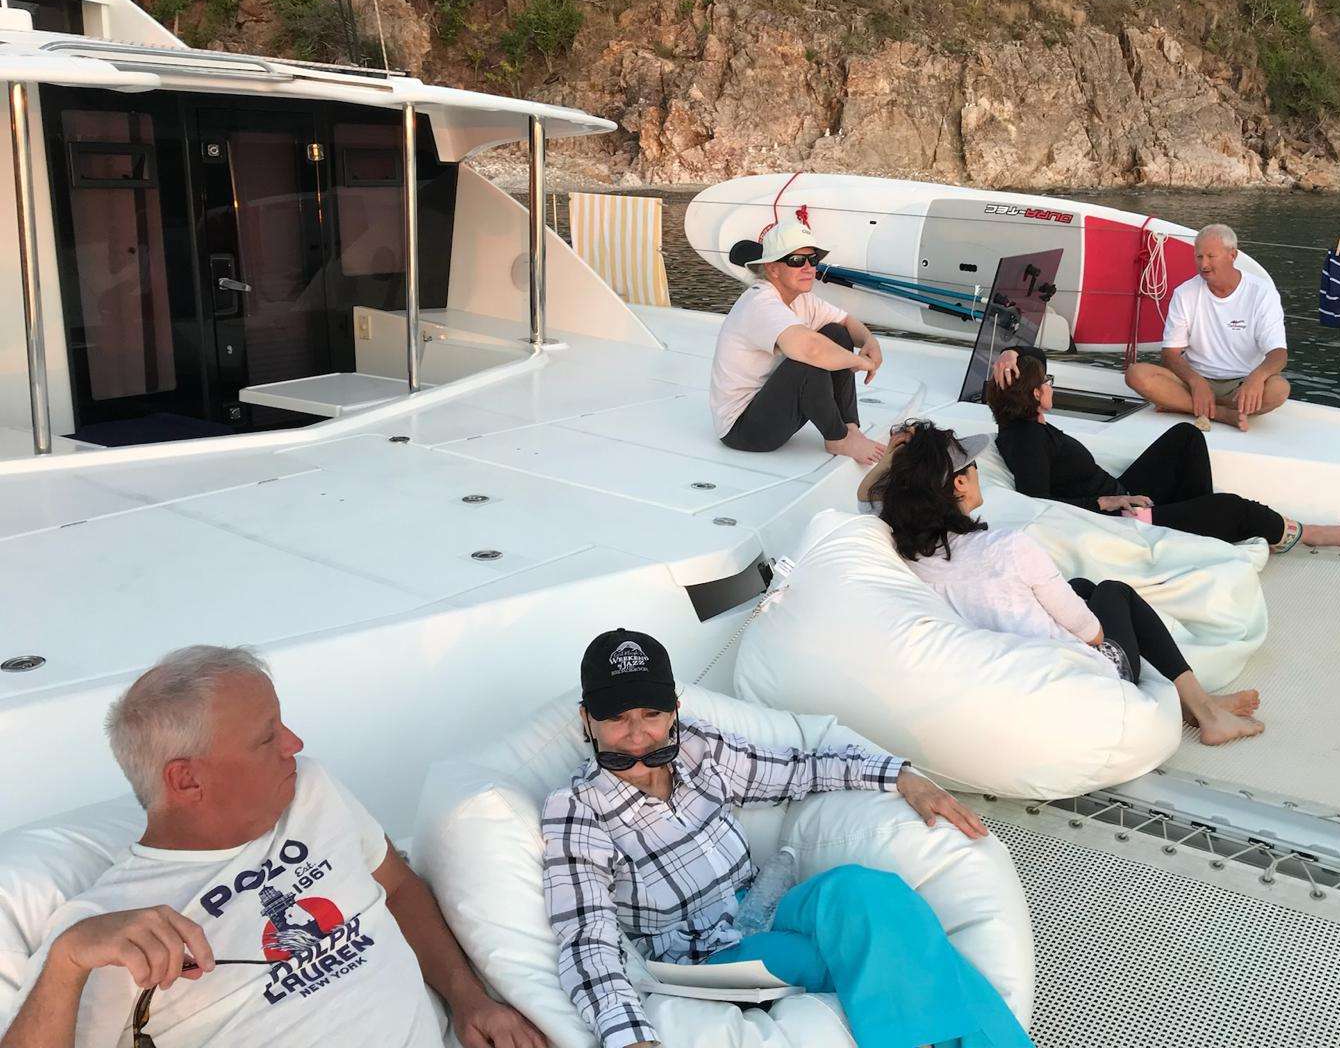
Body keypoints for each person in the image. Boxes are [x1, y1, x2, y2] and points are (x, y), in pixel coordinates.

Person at [2, 646, 544, 1048]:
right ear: (187, 781)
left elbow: (397, 885)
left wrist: (469, 998)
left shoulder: (311, 789)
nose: (295, 745)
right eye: (268, 737)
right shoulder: (107, 926)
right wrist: (68, 962)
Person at [541, 628, 1031, 1048]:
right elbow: (587, 935)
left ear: (674, 709)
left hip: (765, 904)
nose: (637, 734)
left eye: (651, 713)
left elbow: (798, 769)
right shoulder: (577, 809)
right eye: (616, 717)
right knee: (876, 951)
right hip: (706, 956)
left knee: (870, 891)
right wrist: (629, 1036)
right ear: (588, 719)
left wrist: (899, 776)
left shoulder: (697, 747)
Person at [870, 422, 1265, 746]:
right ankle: (1206, 712)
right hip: (1086, 675)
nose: (977, 473)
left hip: (1019, 660)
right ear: (958, 484)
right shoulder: (1009, 547)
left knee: (1080, 585)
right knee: (1113, 591)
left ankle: (1196, 702)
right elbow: (1092, 635)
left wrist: (897, 454)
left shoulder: (912, 548)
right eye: (972, 466)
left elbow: (867, 494)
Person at [989, 347, 1340, 551]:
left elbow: (1034, 354)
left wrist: (1010, 352)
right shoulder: (1026, 440)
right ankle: (1309, 534)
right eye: (1048, 382)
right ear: (1037, 395)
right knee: (1232, 507)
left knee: (1186, 436)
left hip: (1121, 498)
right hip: (1122, 521)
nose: (1053, 386)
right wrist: (1103, 505)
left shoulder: (1025, 425)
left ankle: (1192, 529)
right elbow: (1036, 504)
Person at [710, 221, 887, 464]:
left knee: (837, 333)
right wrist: (860, 362)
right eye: (796, 261)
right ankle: (838, 438)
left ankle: (848, 427)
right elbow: (809, 349)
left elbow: (846, 322)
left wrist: (870, 342)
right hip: (743, 430)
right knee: (807, 362)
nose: (808, 268)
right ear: (772, 268)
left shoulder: (802, 299)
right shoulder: (760, 303)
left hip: (772, 407)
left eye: (812, 260)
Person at [1124, 223, 1289, 430]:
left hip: (1241, 382)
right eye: (1199, 257)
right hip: (1193, 379)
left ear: (1232, 255)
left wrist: (1256, 378)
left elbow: (1278, 353)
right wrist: (1196, 382)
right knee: (1136, 374)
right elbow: (1170, 354)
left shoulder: (1262, 292)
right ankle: (1221, 413)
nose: (1204, 265)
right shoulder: (1185, 293)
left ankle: (1184, 404)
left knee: (1279, 389)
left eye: (1211, 256)